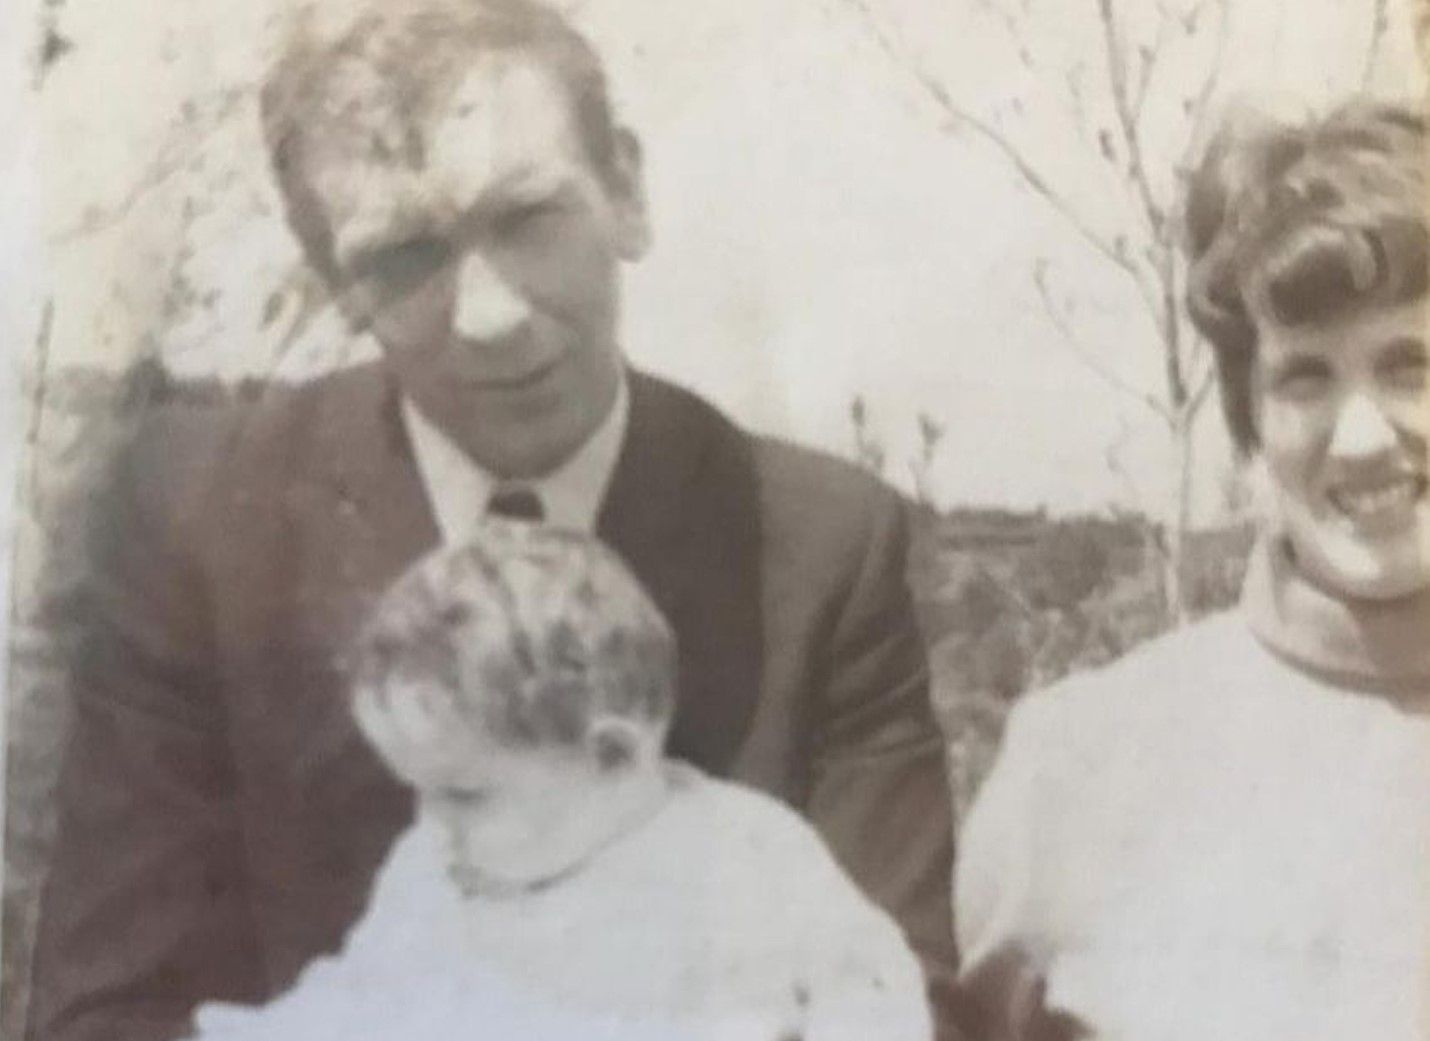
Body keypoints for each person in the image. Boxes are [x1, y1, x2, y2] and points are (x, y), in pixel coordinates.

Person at [26, 2, 958, 1039]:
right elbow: (107, 1017)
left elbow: (902, 1006)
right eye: (405, 256)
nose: (491, 316)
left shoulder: (816, 546)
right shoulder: (201, 522)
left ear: (627, 193)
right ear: (334, 280)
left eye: (526, 218)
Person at [953, 99, 1430, 1041]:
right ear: (1251, 415)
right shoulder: (1078, 766)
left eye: (1411, 363)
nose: (1364, 438)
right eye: (1304, 376)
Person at [190, 522, 933, 1041]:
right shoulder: (436, 872)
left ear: (612, 755)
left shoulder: (743, 861)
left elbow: (871, 1005)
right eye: (417, 788)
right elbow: (357, 999)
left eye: (465, 793)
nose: (431, 820)